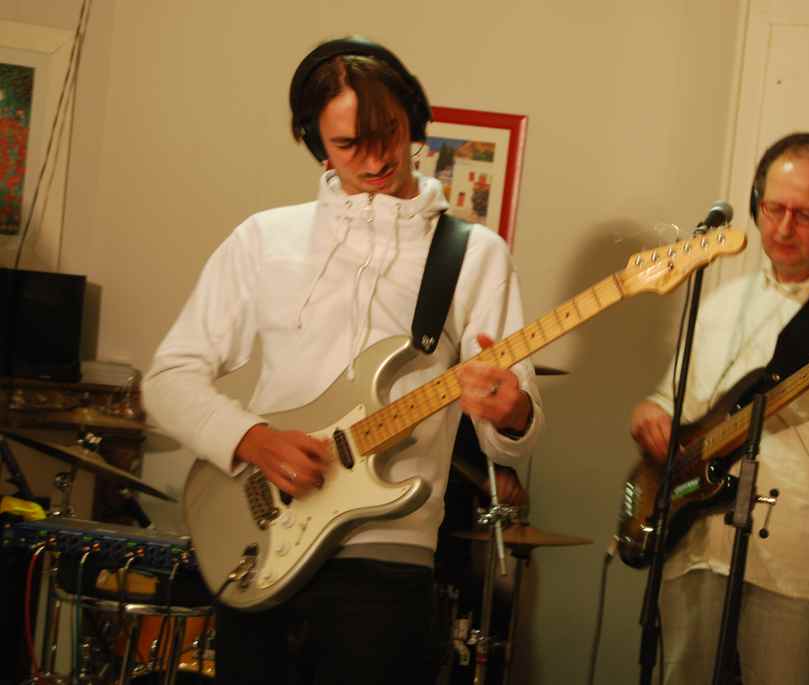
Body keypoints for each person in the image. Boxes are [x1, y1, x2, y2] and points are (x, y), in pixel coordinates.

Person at [142, 36, 543, 684]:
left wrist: (511, 410)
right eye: (349, 144)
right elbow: (166, 379)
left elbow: (512, 437)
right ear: (316, 143)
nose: (377, 158)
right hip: (260, 543)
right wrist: (251, 438)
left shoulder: (475, 254)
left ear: (413, 119)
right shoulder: (263, 239)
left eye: (389, 134)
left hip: (388, 558)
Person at [629, 132, 809, 684]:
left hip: (795, 566)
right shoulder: (721, 303)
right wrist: (652, 414)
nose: (785, 228)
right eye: (774, 209)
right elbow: (675, 404)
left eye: (806, 215)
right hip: (694, 549)